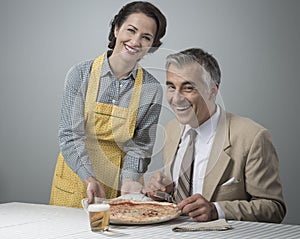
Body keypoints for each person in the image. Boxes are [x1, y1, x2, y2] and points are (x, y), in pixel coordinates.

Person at [144, 48, 286, 223]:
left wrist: (216, 210)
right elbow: (180, 197)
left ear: (212, 91)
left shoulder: (253, 137)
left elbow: (273, 208)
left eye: (188, 88)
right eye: (171, 87)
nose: (176, 98)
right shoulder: (172, 129)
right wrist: (161, 192)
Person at [50, 1, 167, 208]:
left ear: (152, 45)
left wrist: (129, 181)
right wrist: (89, 178)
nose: (135, 41)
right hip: (77, 178)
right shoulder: (80, 74)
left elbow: (140, 146)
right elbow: (69, 135)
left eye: (146, 37)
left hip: (122, 183)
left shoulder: (151, 89)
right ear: (116, 29)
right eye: (131, 30)